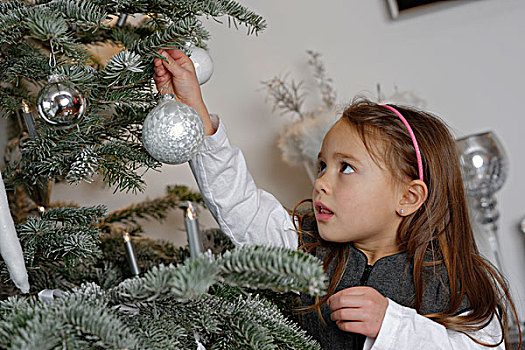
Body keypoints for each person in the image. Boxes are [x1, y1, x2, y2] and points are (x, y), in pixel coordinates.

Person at [153, 49, 519, 349]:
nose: (321, 183)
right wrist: (193, 108)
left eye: (346, 168)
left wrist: (389, 326)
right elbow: (238, 204)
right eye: (323, 165)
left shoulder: (451, 279)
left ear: (408, 197)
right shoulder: (306, 250)